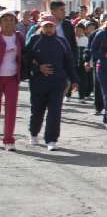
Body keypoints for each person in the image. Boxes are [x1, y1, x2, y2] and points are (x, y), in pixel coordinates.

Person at [24, 14, 79, 151]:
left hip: (57, 82)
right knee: (37, 111)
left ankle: (51, 139)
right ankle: (34, 133)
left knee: (55, 112)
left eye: (51, 26)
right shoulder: (34, 40)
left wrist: (74, 80)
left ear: (55, 27)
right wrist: (38, 68)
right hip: (38, 82)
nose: (48, 29)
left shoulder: (62, 41)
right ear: (41, 27)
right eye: (46, 26)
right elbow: (25, 60)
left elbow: (69, 62)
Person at [0, 10, 25, 151]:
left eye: (11, 20)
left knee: (11, 110)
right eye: (5, 20)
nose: (8, 23)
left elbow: (26, 54)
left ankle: (8, 140)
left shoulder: (19, 37)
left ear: (16, 23)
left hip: (12, 78)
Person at [73, 22, 93, 102]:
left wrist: (88, 62)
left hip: (82, 63)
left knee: (83, 80)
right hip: (73, 62)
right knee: (71, 79)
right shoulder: (72, 38)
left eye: (80, 30)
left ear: (83, 31)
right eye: (77, 29)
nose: (78, 31)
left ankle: (81, 96)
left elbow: (88, 52)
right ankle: (67, 94)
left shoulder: (86, 39)